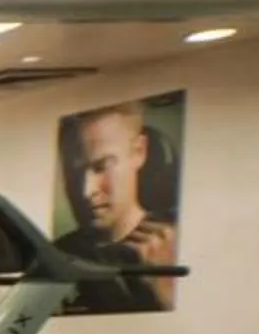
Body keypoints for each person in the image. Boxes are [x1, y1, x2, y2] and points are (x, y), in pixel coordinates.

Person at [53, 102, 178, 314]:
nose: (86, 190)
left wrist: (166, 292)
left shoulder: (177, 244)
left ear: (139, 151)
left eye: (101, 166)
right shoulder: (53, 256)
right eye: (74, 173)